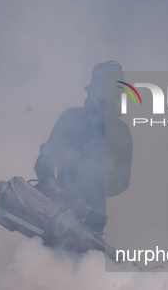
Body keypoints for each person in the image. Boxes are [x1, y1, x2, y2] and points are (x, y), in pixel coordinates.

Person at [34, 61, 132, 235]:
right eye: (100, 85)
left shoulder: (121, 132)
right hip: (54, 208)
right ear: (91, 88)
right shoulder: (70, 117)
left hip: (91, 220)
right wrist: (49, 179)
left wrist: (88, 199)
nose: (104, 92)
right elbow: (46, 157)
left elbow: (121, 181)